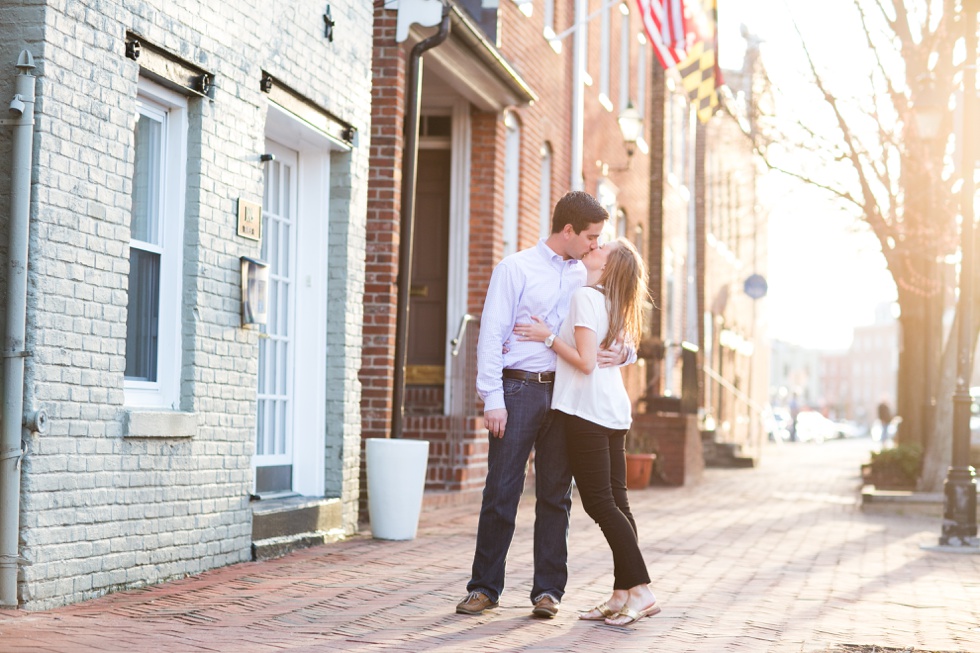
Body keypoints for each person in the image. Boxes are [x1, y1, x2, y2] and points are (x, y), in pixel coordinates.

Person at [456, 191, 630, 619]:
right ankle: (484, 588)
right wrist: (492, 399)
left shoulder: (587, 275)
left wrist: (625, 354)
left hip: (567, 396)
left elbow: (617, 325)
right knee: (502, 491)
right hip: (518, 391)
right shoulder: (515, 268)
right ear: (567, 230)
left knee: (556, 495)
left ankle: (548, 592)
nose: (595, 245)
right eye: (590, 236)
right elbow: (491, 336)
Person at [516, 237, 660, 626]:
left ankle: (642, 590)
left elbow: (584, 362)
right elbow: (610, 352)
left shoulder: (585, 296)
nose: (592, 248)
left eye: (601, 249)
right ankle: (620, 594)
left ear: (608, 266)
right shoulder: (616, 303)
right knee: (618, 503)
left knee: (599, 504)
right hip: (612, 411)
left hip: (587, 412)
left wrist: (546, 336)